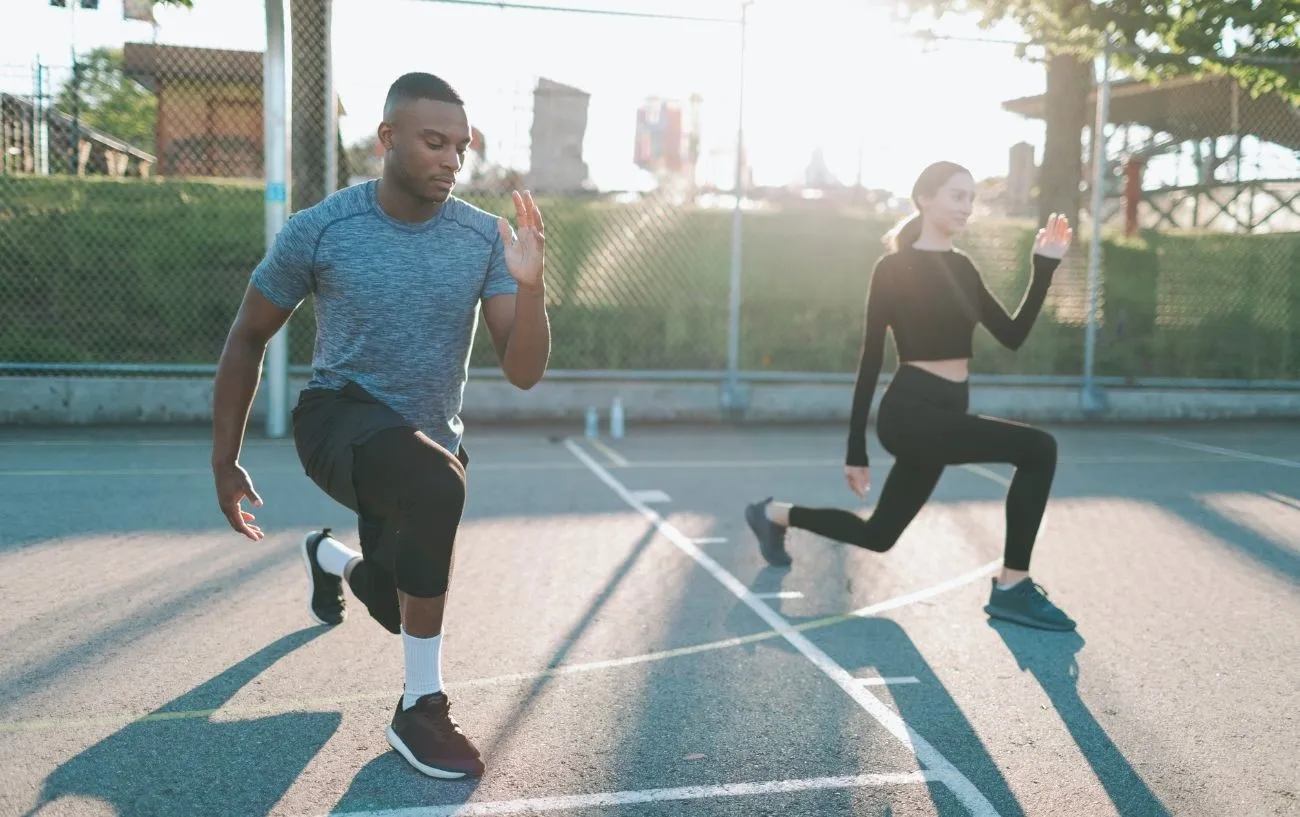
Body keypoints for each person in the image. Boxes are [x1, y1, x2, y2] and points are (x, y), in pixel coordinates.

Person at [210, 72, 550, 779]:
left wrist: (531, 284)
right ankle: (419, 706)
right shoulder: (323, 228)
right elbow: (247, 335)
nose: (452, 159)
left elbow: (523, 371)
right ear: (387, 139)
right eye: (433, 142)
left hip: (428, 442)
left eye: (461, 146)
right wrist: (225, 458)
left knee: (402, 603)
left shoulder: (484, 237)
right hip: (337, 417)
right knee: (437, 486)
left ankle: (329, 559)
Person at [744, 160, 1076, 632]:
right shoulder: (893, 269)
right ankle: (1012, 586)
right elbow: (871, 357)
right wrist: (856, 448)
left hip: (946, 413)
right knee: (1038, 449)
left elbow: (1013, 335)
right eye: (957, 196)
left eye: (972, 199)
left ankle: (771, 514)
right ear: (925, 198)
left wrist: (1043, 267)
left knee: (878, 535)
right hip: (910, 413)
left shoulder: (963, 268)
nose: (967, 207)